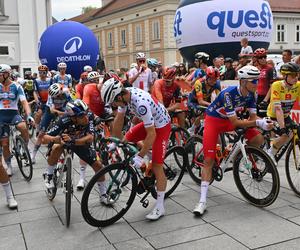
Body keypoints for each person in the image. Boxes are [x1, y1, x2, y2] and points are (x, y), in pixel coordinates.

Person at [193, 65, 273, 216]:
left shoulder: (252, 94)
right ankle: (202, 201)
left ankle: (238, 157)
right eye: (253, 81)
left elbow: (253, 118)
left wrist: (264, 122)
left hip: (229, 120)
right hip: (214, 121)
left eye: (257, 80)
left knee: (258, 137)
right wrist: (257, 123)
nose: (257, 84)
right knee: (209, 161)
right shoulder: (228, 94)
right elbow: (237, 123)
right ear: (243, 82)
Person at [101, 79, 171, 220]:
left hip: (161, 126)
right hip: (149, 123)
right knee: (127, 138)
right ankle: (148, 154)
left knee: (157, 166)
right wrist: (116, 142)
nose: (113, 106)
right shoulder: (124, 97)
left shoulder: (140, 104)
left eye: (113, 102)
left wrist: (140, 156)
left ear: (119, 96)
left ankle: (160, 207)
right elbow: (118, 122)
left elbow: (152, 134)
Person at [42, 100, 110, 203]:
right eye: (81, 116)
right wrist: (57, 139)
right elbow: (44, 138)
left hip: (79, 142)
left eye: (86, 114)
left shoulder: (89, 116)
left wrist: (73, 140)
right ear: (72, 117)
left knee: (98, 166)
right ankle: (49, 176)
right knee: (57, 147)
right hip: (63, 141)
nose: (86, 118)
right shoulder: (63, 120)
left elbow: (90, 138)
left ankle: (103, 194)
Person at [0, 64, 34, 176]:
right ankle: (8, 165)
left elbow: (24, 102)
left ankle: (26, 146)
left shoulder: (17, 86)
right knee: (4, 144)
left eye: (1, 74)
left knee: (23, 126)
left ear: (7, 74)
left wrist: (29, 115)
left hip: (13, 113)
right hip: (1, 116)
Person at [267, 62, 300, 160]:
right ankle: (270, 153)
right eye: (293, 75)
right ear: (285, 75)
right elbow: (278, 109)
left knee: (297, 132)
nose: (296, 78)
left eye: (297, 75)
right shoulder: (276, 85)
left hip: (285, 116)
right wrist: (282, 128)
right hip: (273, 116)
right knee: (285, 135)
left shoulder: (298, 85)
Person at [187, 67, 221, 135]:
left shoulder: (217, 83)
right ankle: (191, 130)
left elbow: (219, 98)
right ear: (207, 77)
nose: (214, 82)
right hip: (194, 102)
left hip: (205, 100)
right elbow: (200, 102)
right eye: (211, 79)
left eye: (215, 79)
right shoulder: (199, 82)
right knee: (205, 112)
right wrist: (213, 105)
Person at [254, 48, 275, 116]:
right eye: (260, 57)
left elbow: (272, 85)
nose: (263, 59)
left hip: (265, 97)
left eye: (264, 57)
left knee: (264, 118)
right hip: (256, 97)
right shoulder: (255, 68)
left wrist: (265, 100)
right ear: (257, 59)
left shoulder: (269, 68)